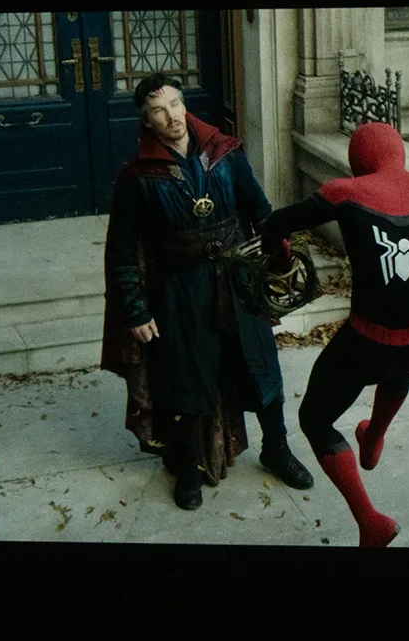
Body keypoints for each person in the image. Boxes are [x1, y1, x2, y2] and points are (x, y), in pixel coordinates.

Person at [101, 73, 314, 512]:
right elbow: (121, 252)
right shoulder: (138, 177)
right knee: (185, 382)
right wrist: (136, 311)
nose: (171, 116)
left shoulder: (226, 154)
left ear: (185, 105)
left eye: (174, 104)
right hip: (180, 292)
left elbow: (260, 211)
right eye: (158, 111)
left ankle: (276, 450)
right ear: (147, 121)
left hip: (238, 284)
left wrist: (278, 259)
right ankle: (187, 468)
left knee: (261, 369)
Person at [259, 121, 409, 547]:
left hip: (366, 344)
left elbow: (276, 223)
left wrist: (280, 254)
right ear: (399, 152)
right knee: (397, 371)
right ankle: (372, 438)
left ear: (357, 162)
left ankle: (371, 522)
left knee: (315, 420)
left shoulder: (344, 192)